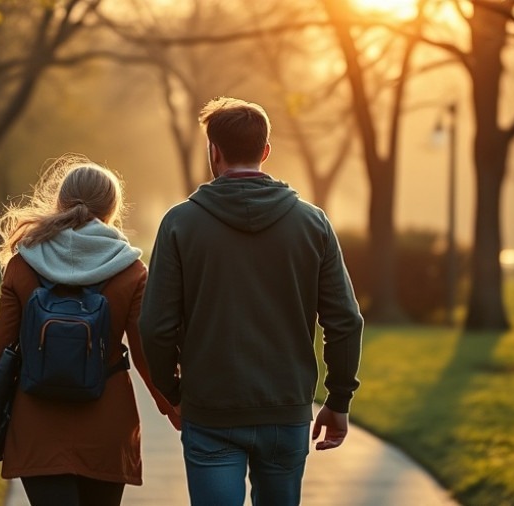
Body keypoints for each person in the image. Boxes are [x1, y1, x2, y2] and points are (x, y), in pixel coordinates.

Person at [139, 97, 364, 506]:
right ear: (265, 151)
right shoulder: (313, 223)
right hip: (286, 408)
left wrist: (174, 392)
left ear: (214, 151)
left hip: (210, 410)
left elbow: (155, 325)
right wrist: (339, 399)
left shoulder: (180, 223)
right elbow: (345, 321)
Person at [0, 154, 181, 506]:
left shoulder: (23, 262)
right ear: (112, 209)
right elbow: (148, 354)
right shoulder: (131, 270)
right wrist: (174, 408)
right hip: (107, 424)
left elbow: (0, 353)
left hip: (36, 424)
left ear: (60, 201)